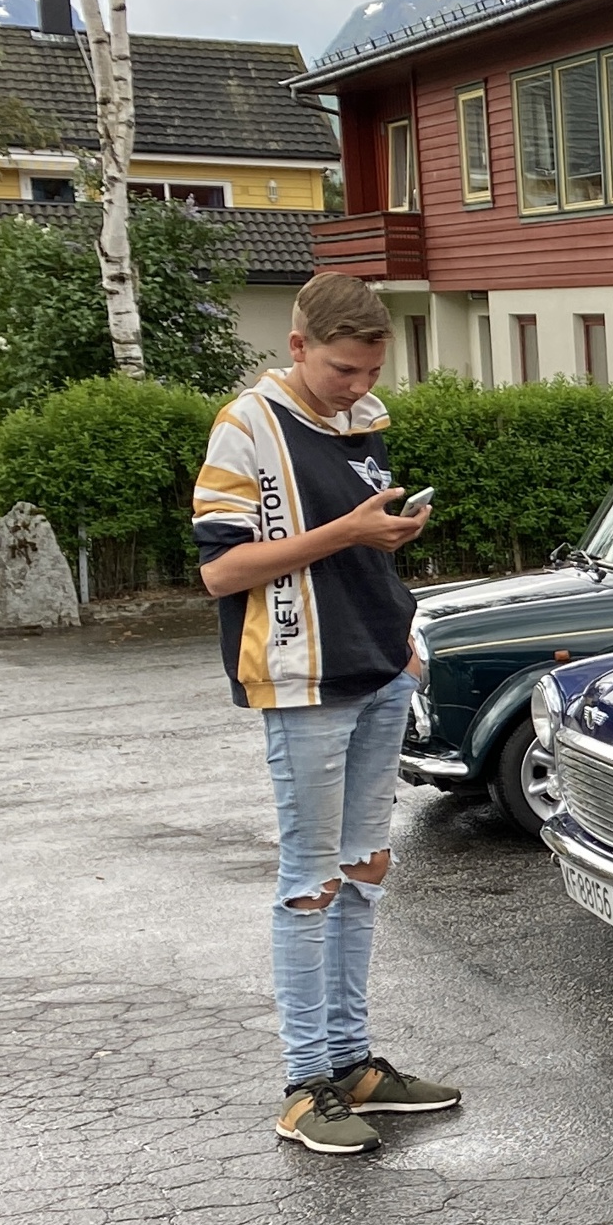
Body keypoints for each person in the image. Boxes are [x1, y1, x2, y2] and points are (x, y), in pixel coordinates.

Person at [194, 272, 463, 1155]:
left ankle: (352, 1065)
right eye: (342, 369)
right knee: (309, 881)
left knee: (364, 868)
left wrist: (397, 609)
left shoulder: (364, 419)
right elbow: (221, 572)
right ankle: (304, 1084)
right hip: (301, 678)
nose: (357, 385)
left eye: (371, 370)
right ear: (297, 345)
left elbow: (359, 544)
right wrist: (348, 532)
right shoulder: (246, 426)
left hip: (379, 666)